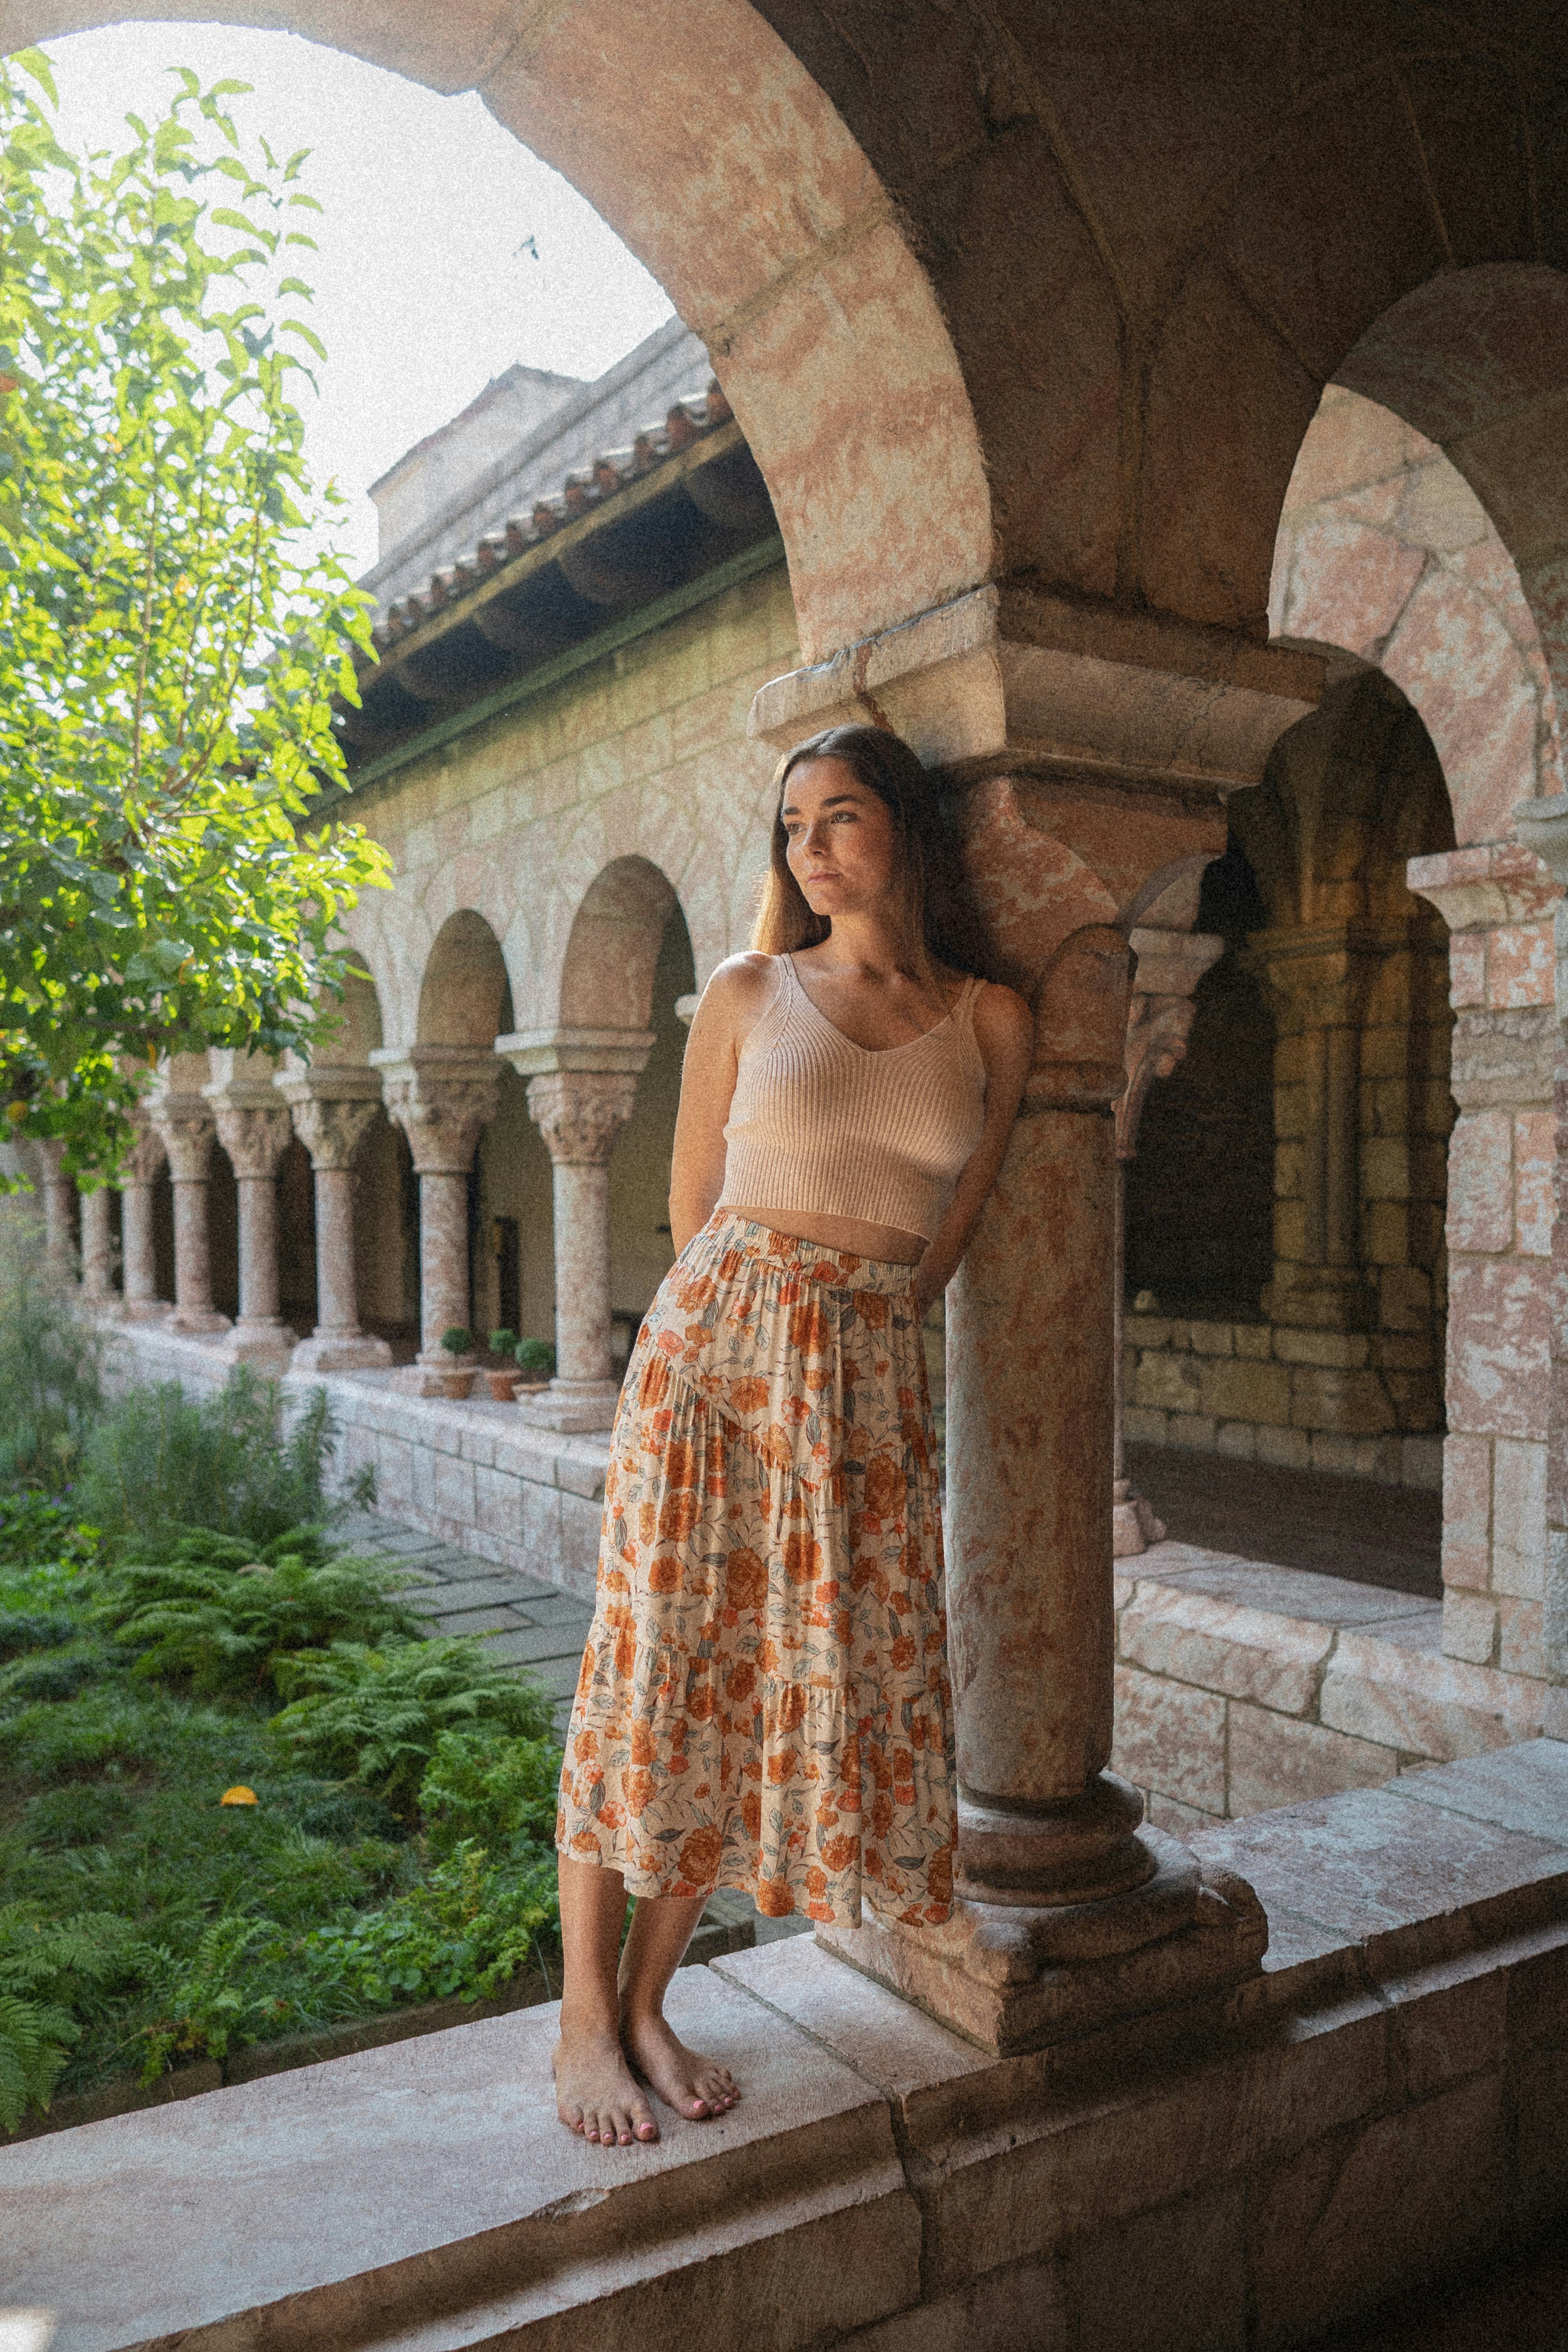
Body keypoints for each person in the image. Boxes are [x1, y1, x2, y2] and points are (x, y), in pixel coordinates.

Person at [552, 723, 1034, 2148]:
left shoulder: (991, 1017)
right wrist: (735, 1359)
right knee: (650, 1677)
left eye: (838, 818)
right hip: (714, 1369)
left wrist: (854, 1355)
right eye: (791, 827)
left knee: (753, 1693)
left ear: (907, 831)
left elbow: (953, 1228)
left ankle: (651, 2001)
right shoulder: (749, 990)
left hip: (866, 1385)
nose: (810, 850)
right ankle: (586, 2016)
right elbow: (693, 1210)